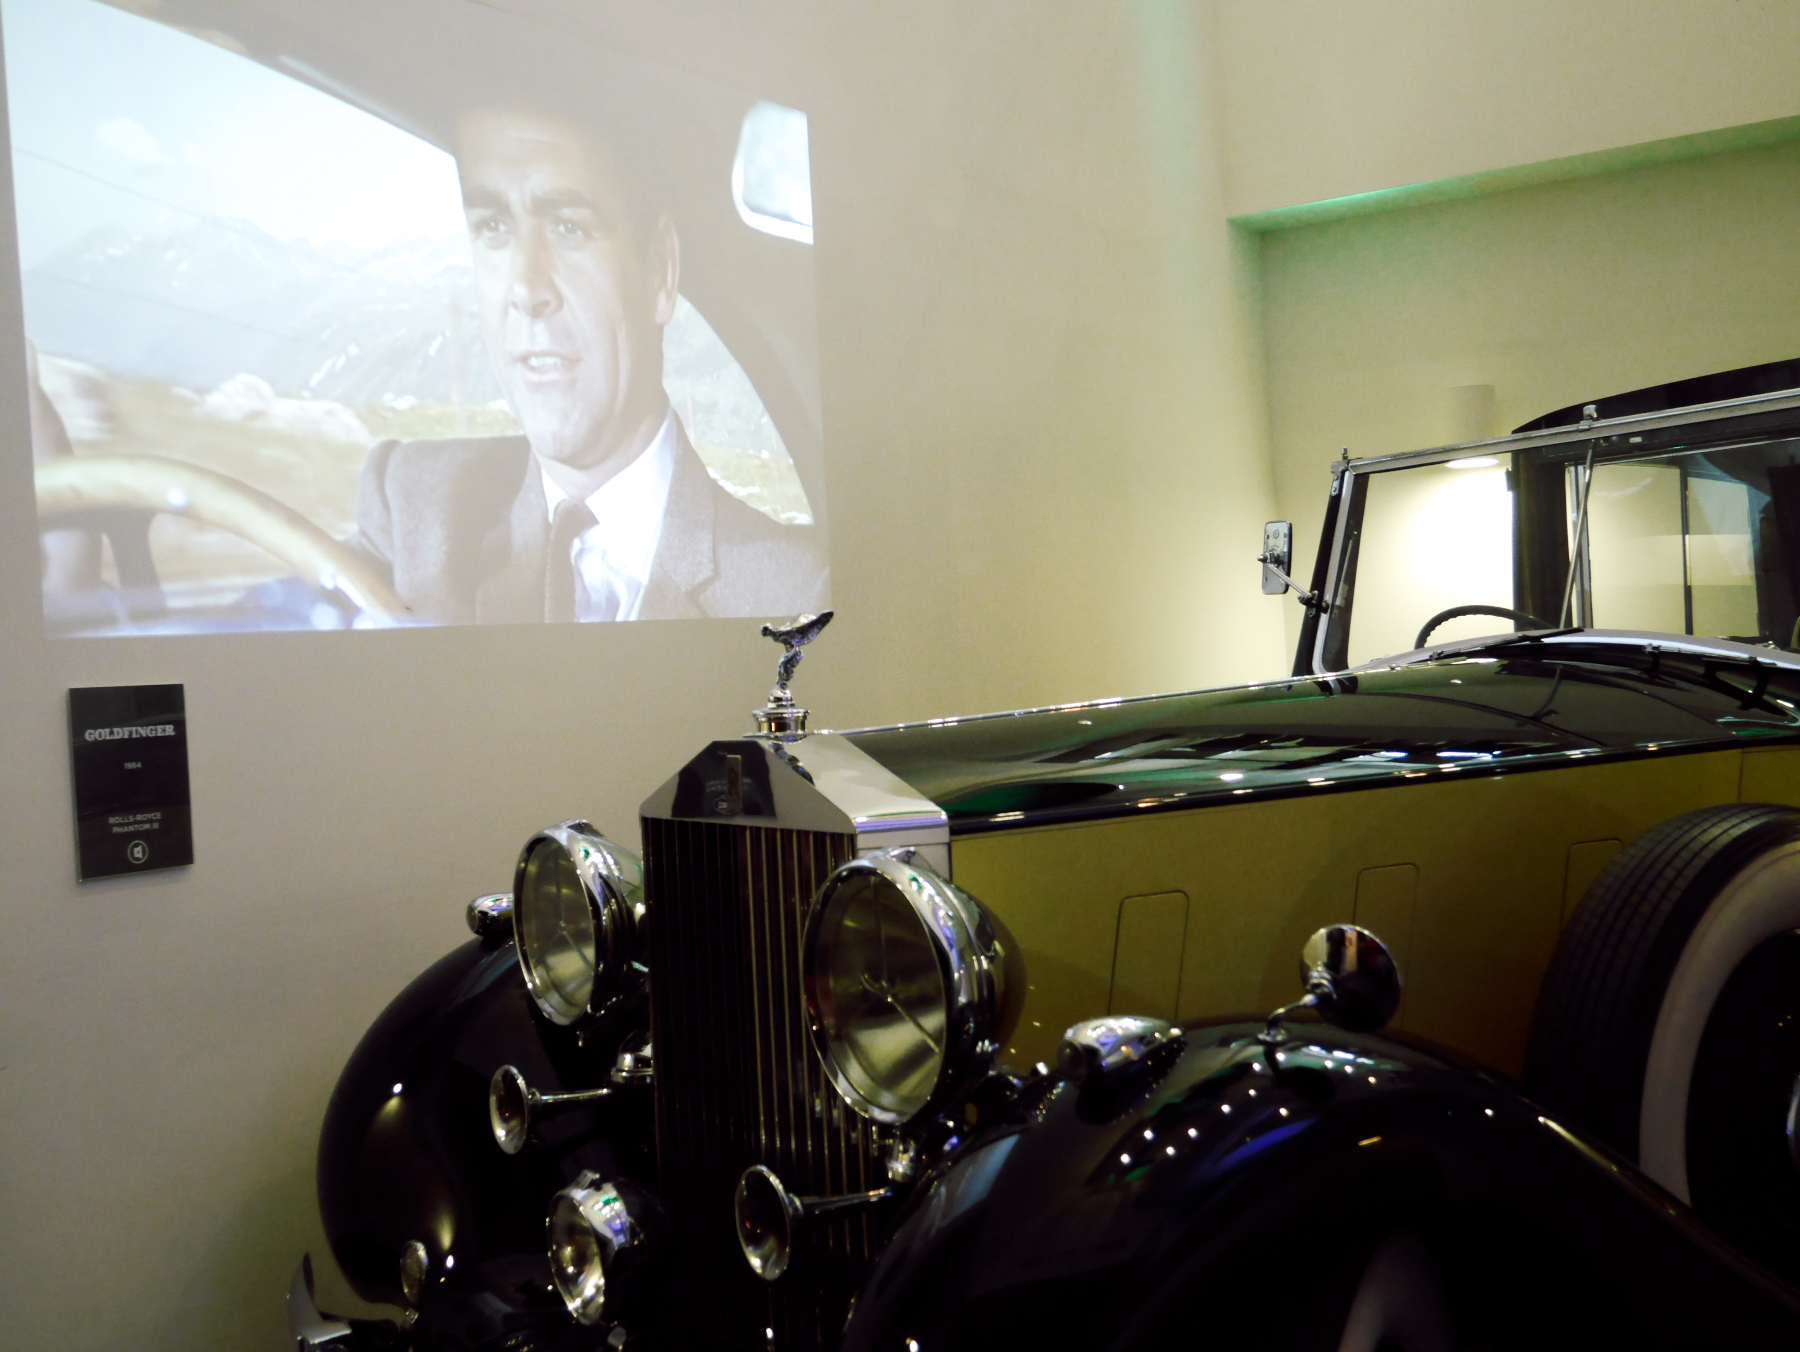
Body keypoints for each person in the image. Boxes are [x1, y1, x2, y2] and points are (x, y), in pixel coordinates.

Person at [351, 105, 827, 624]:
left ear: (660, 273)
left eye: (568, 227)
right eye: (493, 226)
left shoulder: (797, 600)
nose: (525, 288)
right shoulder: (412, 506)